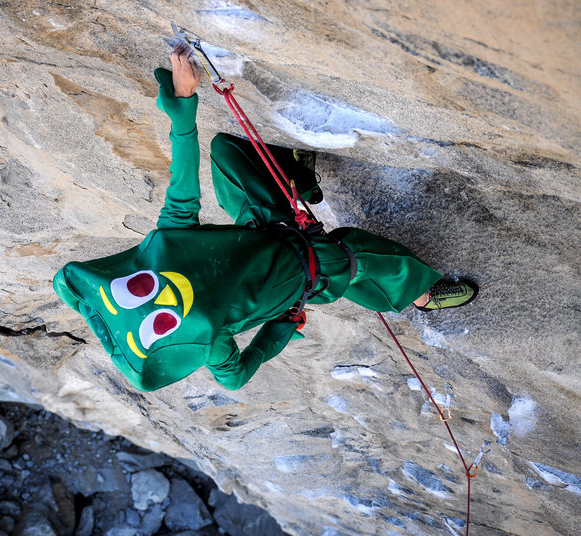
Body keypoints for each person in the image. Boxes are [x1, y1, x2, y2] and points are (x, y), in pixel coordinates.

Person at [53, 43, 478, 392]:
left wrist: (183, 104)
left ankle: (300, 177)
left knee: (227, 153)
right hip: (308, 268)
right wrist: (283, 324)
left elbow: (183, 181)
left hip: (268, 231)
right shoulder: (210, 336)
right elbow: (235, 378)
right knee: (357, 255)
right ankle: (419, 295)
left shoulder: (171, 254)